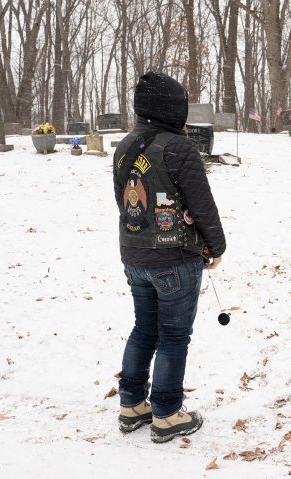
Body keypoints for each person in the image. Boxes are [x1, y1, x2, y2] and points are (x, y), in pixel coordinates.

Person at [112, 71, 226, 444]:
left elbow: (124, 201)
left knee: (144, 328)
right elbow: (202, 205)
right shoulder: (179, 148)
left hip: (135, 254)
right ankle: (165, 412)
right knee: (174, 336)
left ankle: (131, 405)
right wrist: (217, 246)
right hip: (174, 257)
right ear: (172, 110)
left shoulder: (125, 145)